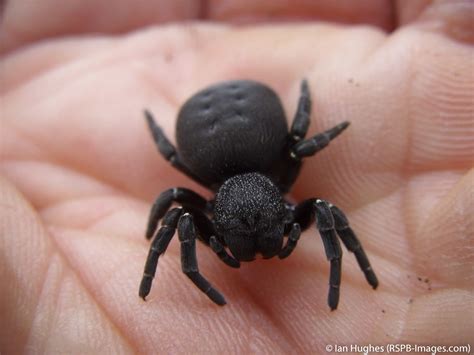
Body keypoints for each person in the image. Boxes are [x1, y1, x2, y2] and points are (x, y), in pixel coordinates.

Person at [1, 1, 472, 353]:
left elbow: (176, 196)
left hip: (228, 127)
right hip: (235, 124)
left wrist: (353, 272)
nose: (260, 247)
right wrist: (161, 254)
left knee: (324, 208)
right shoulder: (209, 207)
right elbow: (171, 207)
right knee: (186, 209)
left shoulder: (242, 195)